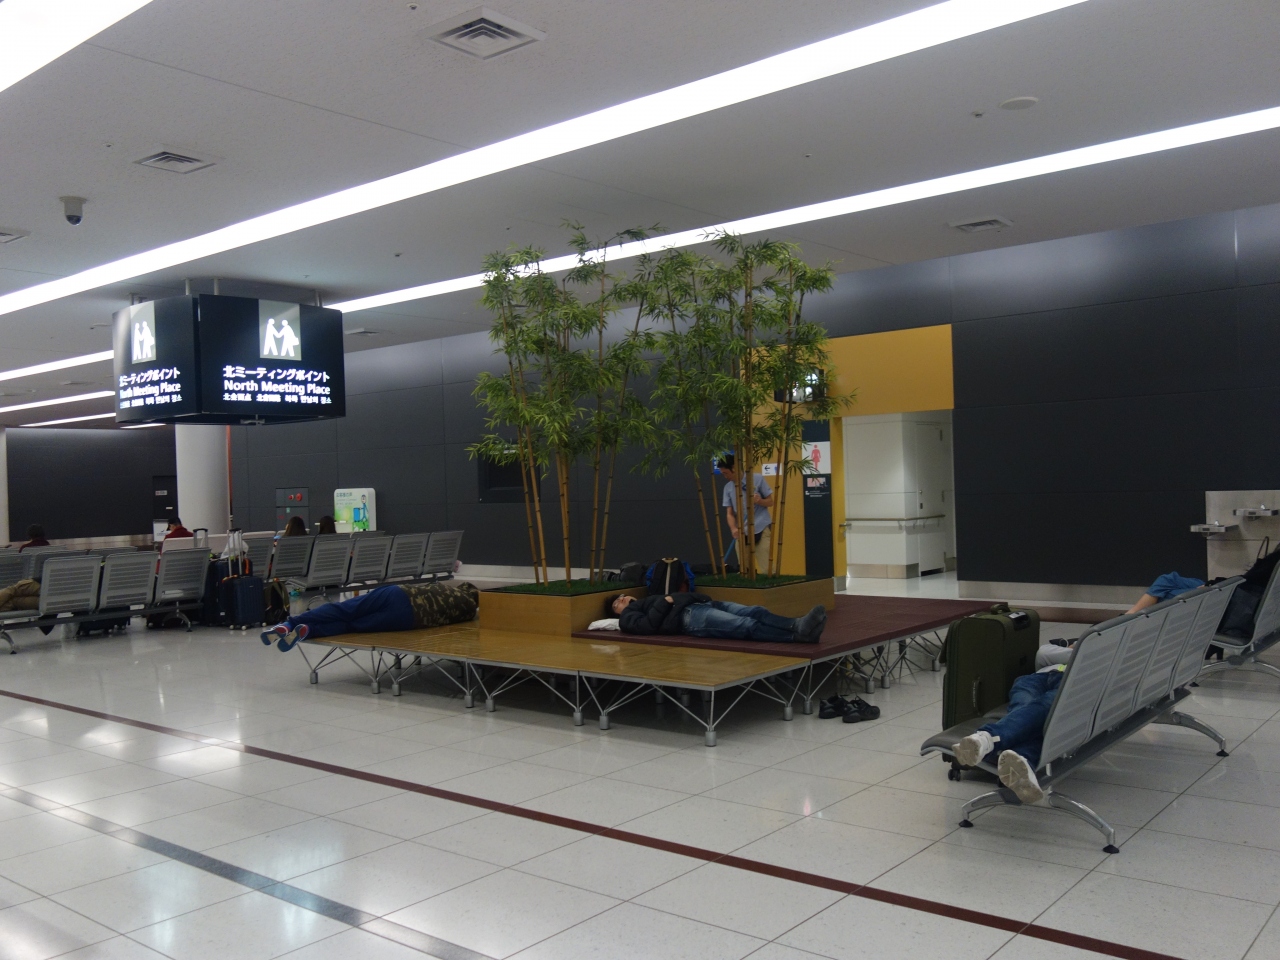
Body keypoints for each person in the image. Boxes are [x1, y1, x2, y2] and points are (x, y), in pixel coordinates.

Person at [951, 642, 1077, 803]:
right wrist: (1079, 649)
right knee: (1025, 709)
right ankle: (1023, 762)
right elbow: (1043, 654)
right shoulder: (1081, 649)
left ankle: (987, 739)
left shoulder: (1095, 657)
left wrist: (1078, 649)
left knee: (1044, 709)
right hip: (1036, 680)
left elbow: (1081, 656)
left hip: (1069, 683)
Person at [263, 581, 479, 650]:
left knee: (345, 609)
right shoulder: (469, 611)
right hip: (409, 618)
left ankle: (289, 624)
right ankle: (308, 630)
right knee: (352, 625)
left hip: (398, 594)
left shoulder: (447, 588)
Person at [608, 591, 825, 643]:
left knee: (755, 610)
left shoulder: (647, 599)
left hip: (702, 605)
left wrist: (700, 597)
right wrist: (665, 602)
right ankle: (798, 636)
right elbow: (647, 626)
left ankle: (797, 625)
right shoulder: (627, 618)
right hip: (690, 618)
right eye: (617, 602)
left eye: (622, 596)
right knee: (745, 624)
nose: (622, 599)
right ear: (616, 611)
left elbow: (678, 597)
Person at [718, 455, 773, 573]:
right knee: (744, 569)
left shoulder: (757, 479)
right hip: (742, 530)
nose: (725, 476)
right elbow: (729, 513)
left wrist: (759, 501)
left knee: (767, 568)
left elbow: (770, 502)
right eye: (723, 474)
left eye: (726, 473)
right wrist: (733, 529)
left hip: (761, 527)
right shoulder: (728, 488)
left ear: (734, 468)